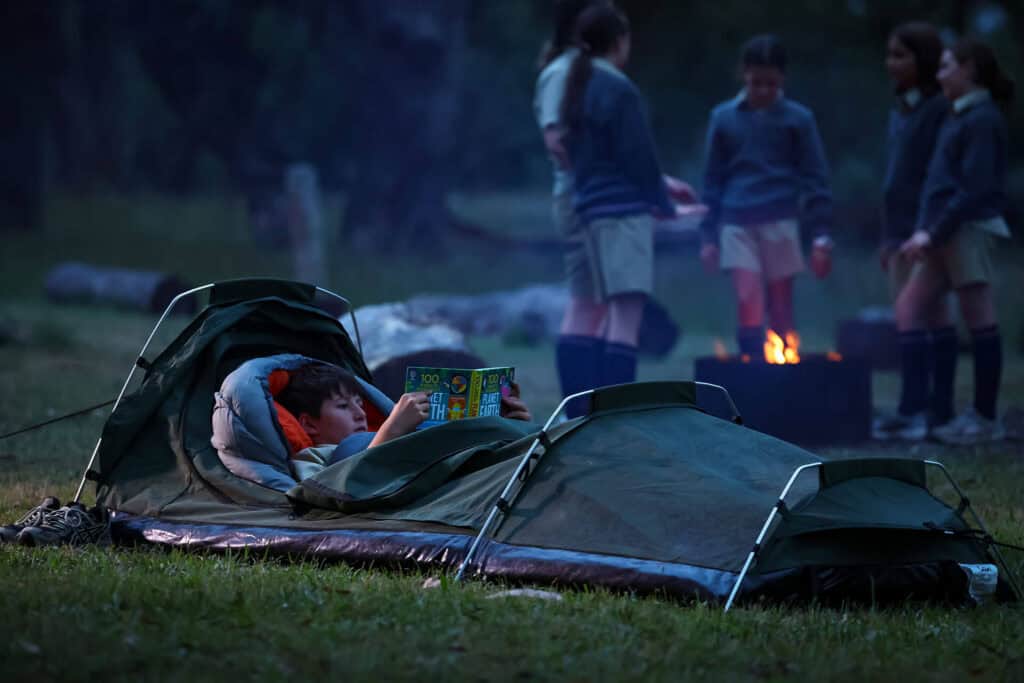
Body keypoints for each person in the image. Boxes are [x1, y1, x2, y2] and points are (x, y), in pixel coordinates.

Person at [535, 0, 694, 416]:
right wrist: (662, 204)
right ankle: (610, 417)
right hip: (614, 208)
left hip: (587, 202)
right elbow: (635, 155)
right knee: (623, 312)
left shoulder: (580, 83)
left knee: (595, 306)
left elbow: (596, 151)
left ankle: (581, 415)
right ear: (620, 41)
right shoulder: (608, 86)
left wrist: (658, 187)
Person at [896, 38, 1015, 445]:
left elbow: (974, 188)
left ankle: (984, 418)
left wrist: (932, 232)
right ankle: (918, 412)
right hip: (943, 230)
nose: (940, 73)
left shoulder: (982, 118)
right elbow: (940, 183)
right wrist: (925, 230)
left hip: (968, 228)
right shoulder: (957, 115)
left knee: (978, 315)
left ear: (970, 70)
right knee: (909, 307)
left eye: (947, 66)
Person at [698, 35, 834, 358]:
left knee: (780, 303)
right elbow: (712, 180)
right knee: (748, 297)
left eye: (770, 84)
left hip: (780, 217)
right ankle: (752, 365)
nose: (762, 91)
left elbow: (815, 177)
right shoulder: (724, 118)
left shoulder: (798, 119)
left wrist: (821, 233)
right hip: (736, 219)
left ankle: (781, 367)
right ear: (743, 75)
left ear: (782, 79)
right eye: (756, 82)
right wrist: (708, 236)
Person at [872, 22, 953, 441]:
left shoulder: (938, 109)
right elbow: (895, 177)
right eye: (890, 54)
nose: (891, 63)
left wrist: (927, 229)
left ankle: (925, 408)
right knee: (920, 315)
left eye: (900, 55)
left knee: (922, 313)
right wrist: (888, 236)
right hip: (900, 230)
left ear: (923, 59)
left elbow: (937, 174)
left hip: (925, 230)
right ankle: (925, 408)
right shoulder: (901, 109)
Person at [276, 363, 532, 478]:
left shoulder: (392, 433)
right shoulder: (312, 459)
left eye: (360, 403)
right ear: (309, 424)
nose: (360, 414)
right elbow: (332, 496)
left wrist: (512, 426)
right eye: (343, 406)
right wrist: (391, 430)